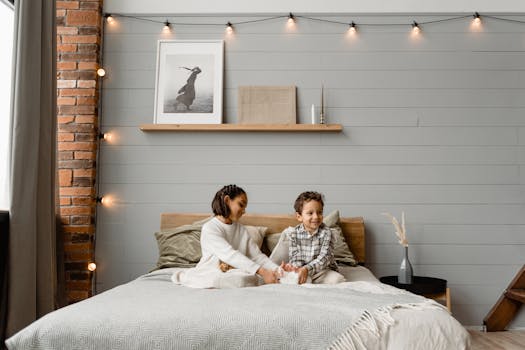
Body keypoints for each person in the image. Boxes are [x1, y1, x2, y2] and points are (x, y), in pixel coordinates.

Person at [172, 184, 287, 288]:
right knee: (240, 279)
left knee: (245, 278)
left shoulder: (241, 230)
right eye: (241, 205)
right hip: (212, 271)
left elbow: (257, 256)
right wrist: (262, 272)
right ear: (227, 200)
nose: (244, 211)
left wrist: (277, 269)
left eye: (245, 207)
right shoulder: (210, 228)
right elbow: (230, 255)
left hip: (235, 271)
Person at [288, 191, 345, 285]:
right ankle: (306, 282)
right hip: (302, 270)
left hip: (323, 271)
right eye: (310, 213)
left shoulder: (327, 232)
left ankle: (313, 282)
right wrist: (299, 270)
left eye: (319, 212)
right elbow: (294, 258)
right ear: (299, 216)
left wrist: (307, 268)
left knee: (338, 280)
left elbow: (325, 257)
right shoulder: (294, 234)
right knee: (293, 279)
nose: (316, 217)